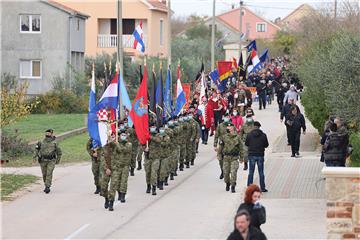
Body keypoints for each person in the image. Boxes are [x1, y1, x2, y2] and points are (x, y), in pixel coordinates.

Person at [33, 129, 62, 194]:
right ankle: (46, 184)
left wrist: (57, 160)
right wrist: (34, 157)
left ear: (52, 134)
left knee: (49, 173)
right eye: (47, 133)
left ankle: (47, 187)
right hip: (42, 160)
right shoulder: (40, 142)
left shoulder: (55, 143)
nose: (47, 135)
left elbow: (59, 152)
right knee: (44, 174)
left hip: (51, 161)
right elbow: (36, 150)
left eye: (49, 133)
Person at [245, 121, 269, 192]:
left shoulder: (249, 135)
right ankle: (262, 188)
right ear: (259, 127)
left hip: (252, 155)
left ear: (253, 127)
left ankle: (249, 187)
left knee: (251, 172)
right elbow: (266, 145)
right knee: (261, 172)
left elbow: (246, 144)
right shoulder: (263, 135)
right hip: (260, 155)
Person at [222, 123, 244, 193]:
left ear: (233, 128)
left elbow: (241, 148)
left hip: (234, 158)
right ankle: (227, 183)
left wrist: (241, 158)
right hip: (226, 158)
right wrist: (219, 155)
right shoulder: (224, 137)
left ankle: (233, 185)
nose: (228, 127)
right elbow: (221, 147)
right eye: (227, 126)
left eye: (230, 126)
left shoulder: (237, 137)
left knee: (233, 172)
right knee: (226, 173)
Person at [144, 125, 163, 195]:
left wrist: (150, 137)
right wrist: (144, 149)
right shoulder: (146, 135)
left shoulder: (158, 135)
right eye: (151, 127)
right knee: (148, 173)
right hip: (148, 157)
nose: (152, 128)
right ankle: (148, 186)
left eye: (154, 127)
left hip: (155, 157)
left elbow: (159, 140)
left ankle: (154, 188)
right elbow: (142, 144)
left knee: (154, 173)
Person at [214, 114, 230, 179]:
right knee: (220, 159)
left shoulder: (231, 126)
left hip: (229, 145)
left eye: (228, 117)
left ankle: (227, 172)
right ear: (223, 118)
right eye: (225, 117)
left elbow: (235, 135)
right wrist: (215, 145)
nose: (227, 118)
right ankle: (222, 171)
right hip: (221, 145)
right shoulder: (220, 126)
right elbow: (216, 136)